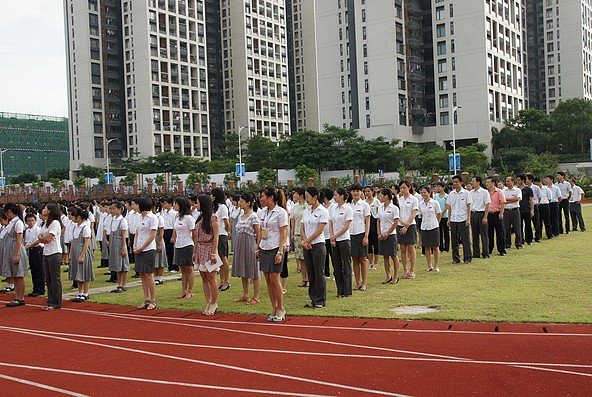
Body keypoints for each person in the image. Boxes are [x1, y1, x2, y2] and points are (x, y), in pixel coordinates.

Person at [257, 187, 288, 322]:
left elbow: (283, 234)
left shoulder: (281, 212)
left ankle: (281, 308)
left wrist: (280, 251)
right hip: (264, 247)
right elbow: (260, 231)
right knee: (268, 281)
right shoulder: (262, 212)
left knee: (275, 280)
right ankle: (274, 307)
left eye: (263, 196)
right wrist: (257, 248)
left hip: (275, 248)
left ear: (270, 198)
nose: (261, 199)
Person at [301, 187, 329, 308]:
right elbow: (302, 227)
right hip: (307, 245)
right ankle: (313, 298)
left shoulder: (323, 211)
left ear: (315, 197)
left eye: (307, 196)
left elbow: (320, 229)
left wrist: (308, 240)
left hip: (318, 244)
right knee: (311, 273)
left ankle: (320, 300)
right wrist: (305, 241)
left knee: (319, 272)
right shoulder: (306, 211)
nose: (306, 199)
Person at [232, 193, 261, 304]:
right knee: (243, 269)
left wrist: (257, 247)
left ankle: (256, 296)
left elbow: (258, 233)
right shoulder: (240, 216)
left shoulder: (253, 216)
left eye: (242, 201)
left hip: (249, 244)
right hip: (239, 244)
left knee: (253, 269)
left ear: (248, 203)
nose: (240, 203)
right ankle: (245, 294)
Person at [193, 194, 220, 316]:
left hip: (209, 249)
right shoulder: (200, 218)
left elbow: (216, 236)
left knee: (211, 278)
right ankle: (208, 301)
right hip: (200, 249)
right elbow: (196, 237)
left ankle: (214, 302)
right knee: (204, 277)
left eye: (197, 203)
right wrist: (195, 251)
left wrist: (214, 253)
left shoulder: (213, 218)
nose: (196, 205)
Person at [133, 197, 159, 310]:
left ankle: (153, 300)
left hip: (148, 249)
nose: (135, 207)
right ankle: (146, 299)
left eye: (137, 205)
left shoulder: (152, 218)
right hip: (139, 248)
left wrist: (142, 247)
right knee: (142, 274)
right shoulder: (139, 218)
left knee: (148, 275)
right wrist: (135, 246)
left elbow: (152, 235)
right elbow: (137, 233)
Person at [2, 203, 28, 307]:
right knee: (15, 275)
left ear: (9, 212)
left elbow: (19, 239)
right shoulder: (12, 222)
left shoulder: (18, 223)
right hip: (10, 249)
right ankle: (17, 297)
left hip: (16, 250)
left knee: (19, 274)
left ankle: (21, 297)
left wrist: (16, 254)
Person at [37, 204, 63, 310]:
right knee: (48, 279)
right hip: (46, 252)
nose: (43, 210)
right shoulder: (45, 223)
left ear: (49, 211)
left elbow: (47, 239)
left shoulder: (55, 223)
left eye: (45, 209)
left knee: (54, 278)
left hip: (54, 252)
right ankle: (50, 300)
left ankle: (56, 302)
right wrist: (41, 238)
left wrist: (40, 238)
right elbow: (41, 236)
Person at [329, 187, 353, 297]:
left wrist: (335, 236)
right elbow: (330, 223)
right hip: (335, 241)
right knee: (337, 265)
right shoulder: (333, 209)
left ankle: (347, 291)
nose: (334, 197)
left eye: (336, 195)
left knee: (346, 265)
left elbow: (346, 226)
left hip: (344, 240)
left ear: (342, 196)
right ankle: (340, 290)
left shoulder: (348, 209)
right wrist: (332, 237)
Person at [172, 197, 196, 299]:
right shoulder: (177, 217)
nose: (174, 206)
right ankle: (184, 290)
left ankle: (190, 291)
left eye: (176, 204)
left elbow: (194, 234)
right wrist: (173, 237)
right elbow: (175, 229)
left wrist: (195, 248)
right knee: (182, 269)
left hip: (188, 245)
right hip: (178, 245)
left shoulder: (189, 218)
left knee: (189, 268)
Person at [70, 208, 95, 302]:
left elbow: (86, 243)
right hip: (75, 251)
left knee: (85, 272)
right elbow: (73, 242)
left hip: (82, 251)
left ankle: (85, 293)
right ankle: (80, 292)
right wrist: (71, 253)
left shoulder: (86, 227)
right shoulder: (75, 227)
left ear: (79, 217)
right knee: (78, 273)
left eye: (73, 216)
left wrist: (82, 255)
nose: (72, 218)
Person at [446, 175, 473, 264]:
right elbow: (449, 207)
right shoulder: (451, 194)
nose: (455, 184)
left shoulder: (466, 193)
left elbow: (469, 206)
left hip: (463, 218)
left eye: (457, 182)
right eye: (453, 182)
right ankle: (455, 258)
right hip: (454, 219)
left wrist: (468, 219)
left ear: (461, 182)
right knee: (454, 240)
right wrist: (449, 219)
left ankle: (467, 258)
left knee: (465, 239)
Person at [349, 184, 370, 291]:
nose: (355, 193)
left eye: (357, 191)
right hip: (351, 234)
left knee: (363, 259)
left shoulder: (365, 205)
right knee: (355, 259)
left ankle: (364, 283)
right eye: (353, 191)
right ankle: (357, 283)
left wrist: (366, 236)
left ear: (361, 192)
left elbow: (367, 221)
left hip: (361, 233)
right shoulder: (349, 205)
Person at [376, 188, 400, 283]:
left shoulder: (394, 208)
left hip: (391, 235)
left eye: (381, 195)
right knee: (385, 256)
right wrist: (379, 233)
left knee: (393, 256)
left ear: (386, 196)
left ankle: (396, 276)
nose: (379, 197)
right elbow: (378, 220)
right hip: (382, 234)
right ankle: (388, 275)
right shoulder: (380, 207)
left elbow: (395, 223)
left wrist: (387, 233)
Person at [418, 185, 442, 272]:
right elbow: (420, 215)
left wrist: (436, 223)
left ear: (429, 193)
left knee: (435, 247)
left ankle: (436, 265)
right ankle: (429, 265)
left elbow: (439, 214)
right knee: (427, 247)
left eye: (425, 192)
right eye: (421, 192)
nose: (423, 194)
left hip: (434, 226)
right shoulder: (420, 204)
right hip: (424, 227)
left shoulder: (435, 203)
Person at [398, 181, 419, 277]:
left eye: (404, 187)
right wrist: (402, 224)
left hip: (411, 225)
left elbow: (414, 213)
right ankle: (405, 269)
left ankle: (412, 269)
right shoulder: (399, 200)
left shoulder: (414, 199)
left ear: (409, 187)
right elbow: (397, 213)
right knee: (402, 248)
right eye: (401, 188)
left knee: (411, 247)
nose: (402, 189)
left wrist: (407, 225)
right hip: (400, 224)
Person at [212, 187, 231, 291]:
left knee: (223, 258)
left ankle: (226, 281)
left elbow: (226, 222)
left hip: (222, 234)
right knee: (218, 259)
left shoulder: (223, 207)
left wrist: (228, 232)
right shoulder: (215, 207)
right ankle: (221, 280)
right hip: (216, 235)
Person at [109, 201, 129, 293]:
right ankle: (119, 283)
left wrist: (123, 247)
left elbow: (124, 235)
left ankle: (123, 284)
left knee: (123, 264)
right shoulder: (113, 219)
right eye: (111, 209)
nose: (112, 211)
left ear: (120, 209)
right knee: (117, 264)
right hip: (114, 243)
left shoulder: (123, 220)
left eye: (114, 209)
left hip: (120, 243)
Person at [290, 187, 308, 288]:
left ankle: (309, 279)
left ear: (301, 195)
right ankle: (304, 278)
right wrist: (292, 234)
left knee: (306, 257)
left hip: (306, 234)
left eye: (296, 194)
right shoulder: (294, 206)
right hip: (297, 233)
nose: (295, 196)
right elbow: (293, 221)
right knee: (300, 257)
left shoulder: (307, 206)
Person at [469, 177, 490, 259]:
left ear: (478, 182)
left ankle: (485, 253)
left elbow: (487, 204)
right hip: (473, 214)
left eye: (473, 181)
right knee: (474, 234)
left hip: (481, 213)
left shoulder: (484, 192)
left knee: (484, 234)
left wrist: (485, 217)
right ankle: (476, 253)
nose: (472, 183)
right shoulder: (470, 193)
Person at [24, 213, 44, 297]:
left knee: (39, 269)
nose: (31, 222)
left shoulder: (38, 229)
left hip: (37, 249)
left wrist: (28, 246)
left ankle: (40, 289)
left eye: (33, 220)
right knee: (33, 270)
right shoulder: (27, 231)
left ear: (35, 221)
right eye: (29, 221)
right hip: (31, 250)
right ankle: (35, 288)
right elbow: (26, 241)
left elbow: (38, 241)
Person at [485, 177, 507, 256]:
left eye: (488, 182)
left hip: (497, 213)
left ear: (493, 183)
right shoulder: (485, 192)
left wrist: (501, 213)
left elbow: (503, 203)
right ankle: (489, 249)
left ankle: (501, 250)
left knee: (500, 233)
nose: (486, 184)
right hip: (488, 214)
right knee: (489, 233)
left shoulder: (499, 191)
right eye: (486, 182)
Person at [503, 176, 523, 249]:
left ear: (512, 182)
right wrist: (511, 200)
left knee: (517, 228)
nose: (507, 183)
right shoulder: (503, 191)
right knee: (506, 228)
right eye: (506, 181)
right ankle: (507, 244)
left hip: (515, 210)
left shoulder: (517, 190)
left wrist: (508, 200)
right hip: (506, 211)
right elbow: (503, 200)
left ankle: (518, 244)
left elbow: (518, 198)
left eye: (508, 181)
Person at [363, 186, 380, 270]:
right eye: (365, 191)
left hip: (374, 222)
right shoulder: (363, 202)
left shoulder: (377, 201)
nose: (367, 193)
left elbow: (379, 213)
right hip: (366, 223)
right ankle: (371, 262)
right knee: (368, 245)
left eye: (368, 191)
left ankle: (376, 263)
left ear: (372, 192)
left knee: (375, 244)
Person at [320, 188, 335, 279]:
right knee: (324, 255)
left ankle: (335, 273)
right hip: (322, 235)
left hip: (330, 234)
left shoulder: (333, 207)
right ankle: (326, 273)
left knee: (333, 256)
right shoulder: (321, 207)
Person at [161, 197, 178, 273]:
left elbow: (174, 225)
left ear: (170, 204)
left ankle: (175, 266)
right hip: (165, 231)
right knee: (167, 250)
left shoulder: (174, 213)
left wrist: (173, 236)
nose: (164, 205)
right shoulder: (163, 213)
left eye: (165, 203)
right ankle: (169, 265)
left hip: (171, 231)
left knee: (172, 250)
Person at [516, 174, 535, 245]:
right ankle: (521, 240)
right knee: (519, 226)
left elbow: (531, 200)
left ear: (523, 180)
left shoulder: (528, 189)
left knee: (528, 225)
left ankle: (529, 240)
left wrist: (532, 210)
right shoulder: (516, 189)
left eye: (518, 180)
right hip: (518, 209)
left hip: (526, 209)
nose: (517, 181)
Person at [152, 202, 167, 285]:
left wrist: (159, 242)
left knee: (160, 258)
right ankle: (155, 277)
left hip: (158, 238)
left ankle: (160, 277)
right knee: (155, 259)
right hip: (152, 239)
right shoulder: (152, 217)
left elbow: (161, 231)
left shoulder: (159, 217)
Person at [526, 173, 542, 242]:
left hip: (534, 205)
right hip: (526, 206)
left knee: (536, 222)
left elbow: (539, 197)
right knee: (527, 223)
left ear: (530, 180)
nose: (525, 180)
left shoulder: (536, 187)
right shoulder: (525, 187)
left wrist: (536, 204)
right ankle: (528, 237)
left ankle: (537, 237)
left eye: (526, 179)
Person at [434, 182, 449, 253]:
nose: (438, 188)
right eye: (437, 186)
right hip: (437, 216)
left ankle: (446, 247)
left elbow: (447, 205)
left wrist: (442, 213)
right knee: (439, 232)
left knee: (446, 232)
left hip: (445, 216)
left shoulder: (447, 196)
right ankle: (440, 247)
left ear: (443, 187)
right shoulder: (436, 196)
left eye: (440, 186)